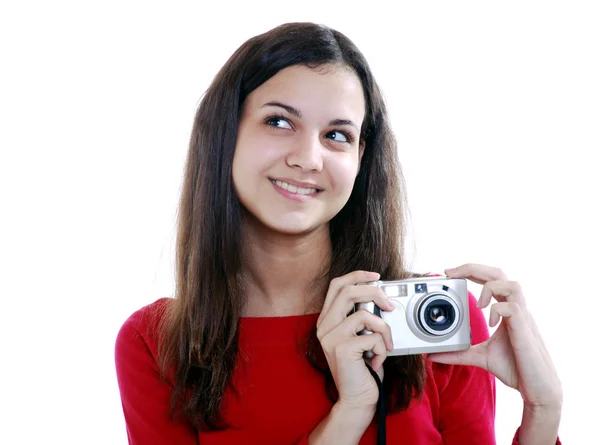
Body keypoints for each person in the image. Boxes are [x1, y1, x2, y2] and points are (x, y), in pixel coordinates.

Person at [114, 22, 562, 445]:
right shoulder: (156, 344)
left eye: (337, 135)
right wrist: (349, 413)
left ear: (360, 157)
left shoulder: (436, 319)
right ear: (225, 134)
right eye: (279, 122)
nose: (309, 158)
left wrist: (543, 411)